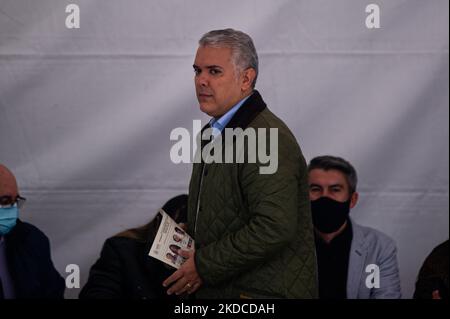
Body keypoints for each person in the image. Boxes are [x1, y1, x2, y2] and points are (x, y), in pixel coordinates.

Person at [163, 28, 318, 298]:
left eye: (214, 71)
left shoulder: (267, 138)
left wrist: (204, 264)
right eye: (197, 71)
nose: (201, 81)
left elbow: (273, 227)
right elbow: (230, 212)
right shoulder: (212, 133)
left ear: (246, 79)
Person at [308, 155, 401, 299]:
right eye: (315, 189)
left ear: (352, 200)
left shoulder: (379, 247)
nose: (324, 197)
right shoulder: (285, 244)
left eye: (335, 189)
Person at [79, 194, 188, 299]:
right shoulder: (123, 251)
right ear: (158, 226)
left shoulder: (199, 265)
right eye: (176, 234)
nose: (180, 245)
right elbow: (99, 291)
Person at [0, 164, 65, 299]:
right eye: (5, 201)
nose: (12, 209)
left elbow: (53, 293)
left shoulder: (31, 239)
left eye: (16, 201)